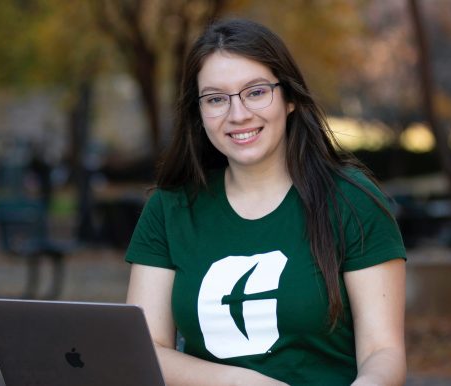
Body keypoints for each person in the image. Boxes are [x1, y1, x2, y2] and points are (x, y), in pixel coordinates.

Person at [125, 18, 406, 386]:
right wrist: (246, 383)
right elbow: (144, 351)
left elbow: (382, 352)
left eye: (256, 92)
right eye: (215, 99)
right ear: (199, 112)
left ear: (289, 98)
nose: (238, 114)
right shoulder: (169, 208)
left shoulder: (352, 201)